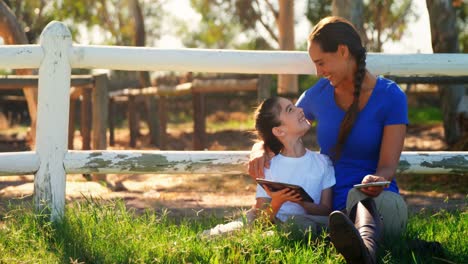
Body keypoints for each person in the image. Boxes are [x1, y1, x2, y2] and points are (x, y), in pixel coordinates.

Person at [248, 16, 408, 264]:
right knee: (326, 220)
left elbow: (388, 166)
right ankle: (363, 250)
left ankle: (361, 248)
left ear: (343, 51)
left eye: (321, 62)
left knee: (363, 202)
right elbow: (281, 126)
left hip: (379, 202)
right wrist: (259, 148)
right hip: (333, 208)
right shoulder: (318, 95)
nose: (318, 72)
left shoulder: (391, 97)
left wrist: (377, 180)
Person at [202, 96, 335, 238]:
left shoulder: (323, 163)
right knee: (216, 236)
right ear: (279, 131)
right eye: (290, 109)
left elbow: (326, 210)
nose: (300, 110)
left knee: (299, 224)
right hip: (274, 223)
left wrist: (302, 203)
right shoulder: (270, 165)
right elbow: (260, 219)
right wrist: (278, 201)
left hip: (304, 223)